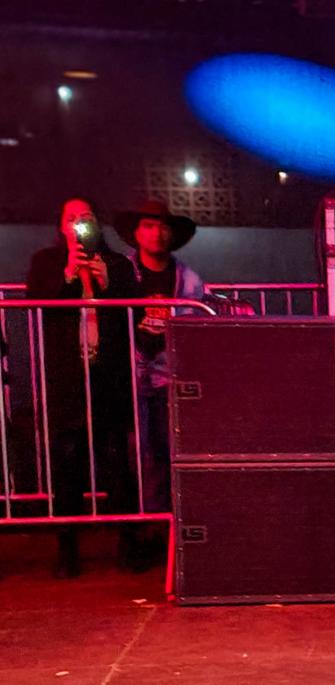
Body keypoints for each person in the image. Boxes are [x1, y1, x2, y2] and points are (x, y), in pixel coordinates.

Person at [24, 196, 139, 576]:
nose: (79, 225)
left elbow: (135, 312)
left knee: (116, 460)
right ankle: (67, 548)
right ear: (61, 227)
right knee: (68, 461)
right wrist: (68, 275)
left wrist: (108, 284)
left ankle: (129, 543)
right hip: (67, 377)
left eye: (86, 217)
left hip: (108, 375)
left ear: (97, 224)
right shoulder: (46, 261)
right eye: (71, 218)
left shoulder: (118, 263)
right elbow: (36, 303)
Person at [113, 198, 208, 527]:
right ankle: (143, 522)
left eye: (163, 226)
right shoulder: (122, 273)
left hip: (172, 375)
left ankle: (173, 521)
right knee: (136, 451)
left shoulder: (188, 279)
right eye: (149, 226)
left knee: (173, 448)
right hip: (130, 374)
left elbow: (196, 329)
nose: (157, 233)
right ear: (137, 233)